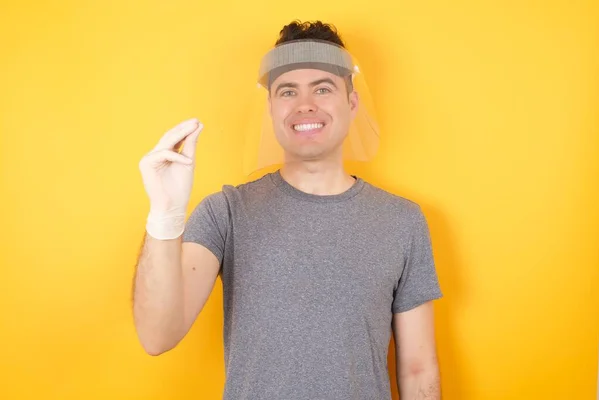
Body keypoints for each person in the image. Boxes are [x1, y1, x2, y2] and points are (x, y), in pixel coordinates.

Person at [133, 20, 443, 400]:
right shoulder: (226, 213)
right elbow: (156, 336)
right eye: (287, 91)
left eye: (323, 88)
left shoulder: (402, 222)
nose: (305, 104)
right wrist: (164, 218)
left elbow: (417, 368)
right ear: (271, 107)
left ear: (352, 102)